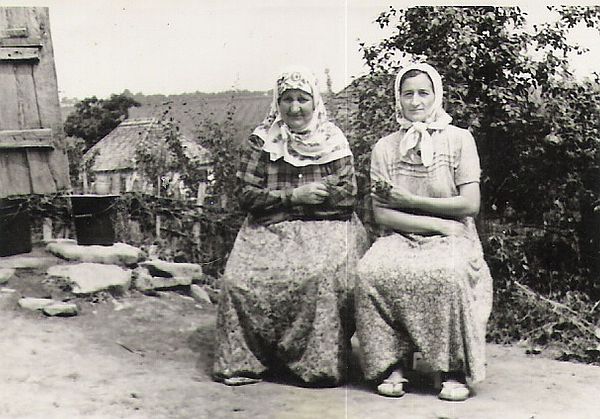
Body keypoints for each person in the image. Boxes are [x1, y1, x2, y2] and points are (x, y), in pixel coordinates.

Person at [213, 66, 367, 386]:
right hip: (269, 226)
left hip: (326, 226)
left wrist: (299, 200)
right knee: (238, 280)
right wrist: (294, 196)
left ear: (315, 102)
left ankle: (316, 366)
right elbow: (245, 195)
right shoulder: (261, 141)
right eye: (287, 100)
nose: (295, 108)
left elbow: (347, 195)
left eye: (302, 99)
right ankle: (247, 362)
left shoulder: (332, 139)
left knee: (319, 277)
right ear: (277, 103)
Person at [355, 63, 493, 401]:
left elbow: (470, 204)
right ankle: (391, 364)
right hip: (402, 234)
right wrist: (435, 224)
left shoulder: (459, 140)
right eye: (408, 94)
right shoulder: (385, 147)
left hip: (454, 236)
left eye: (423, 93)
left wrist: (412, 201)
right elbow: (382, 214)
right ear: (398, 99)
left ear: (436, 96)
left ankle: (451, 369)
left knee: (447, 272)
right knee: (370, 271)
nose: (415, 101)